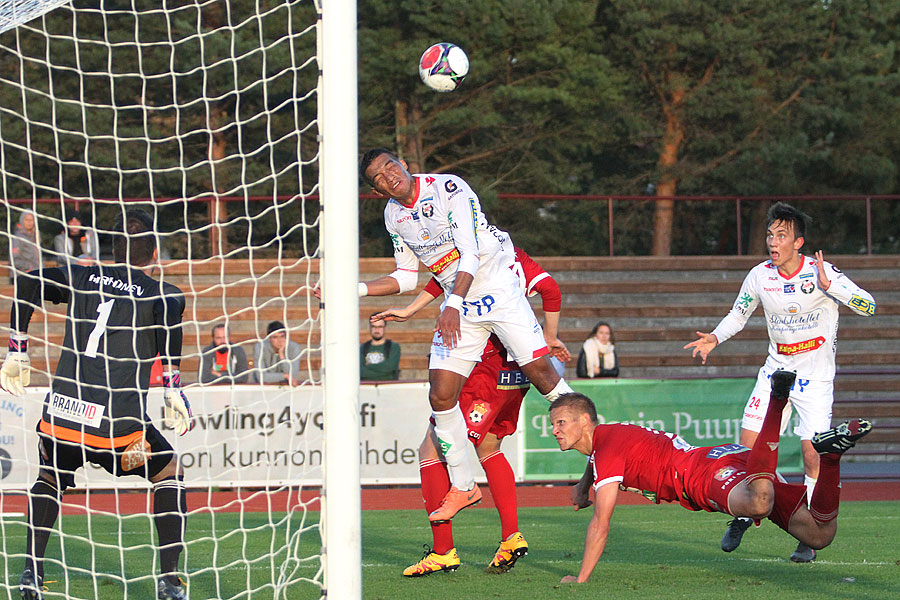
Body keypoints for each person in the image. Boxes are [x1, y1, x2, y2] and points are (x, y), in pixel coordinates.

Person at [347, 148, 575, 522]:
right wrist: (353, 289)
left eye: (390, 166)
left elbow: (469, 253)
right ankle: (464, 485)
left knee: (545, 378)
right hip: (459, 298)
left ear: (404, 164)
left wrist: (451, 305)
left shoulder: (448, 188)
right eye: (378, 177)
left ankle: (600, 446)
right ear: (377, 191)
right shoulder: (393, 215)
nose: (388, 176)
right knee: (440, 393)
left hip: (495, 283)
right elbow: (406, 276)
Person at [1, 209, 194, 600]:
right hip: (118, 433)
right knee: (168, 470)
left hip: (62, 418)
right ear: (154, 252)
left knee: (50, 479)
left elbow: (28, 282)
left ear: (111, 248)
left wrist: (18, 348)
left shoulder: (83, 274)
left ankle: (30, 575)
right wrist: (173, 388)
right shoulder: (164, 294)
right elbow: (169, 327)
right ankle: (170, 582)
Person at [684, 202, 876, 562]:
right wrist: (714, 337)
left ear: (798, 242)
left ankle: (809, 531)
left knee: (812, 455)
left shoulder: (822, 273)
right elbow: (738, 315)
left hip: (815, 379)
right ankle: (742, 515)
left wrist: (833, 288)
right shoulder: (760, 275)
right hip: (776, 374)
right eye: (770, 235)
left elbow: (869, 305)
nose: (773, 241)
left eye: (781, 235)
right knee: (748, 447)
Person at [550, 371, 872, 583]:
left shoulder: (606, 449)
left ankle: (777, 399)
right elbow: (597, 460)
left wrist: (580, 579)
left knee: (760, 503)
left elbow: (601, 522)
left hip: (700, 474)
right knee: (819, 535)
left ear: (584, 420)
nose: (555, 431)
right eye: (553, 424)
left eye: (561, 423)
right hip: (724, 458)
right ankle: (830, 457)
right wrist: (582, 486)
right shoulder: (606, 443)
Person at [374, 245, 571, 576]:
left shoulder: (465, 249)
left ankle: (443, 550)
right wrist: (549, 336)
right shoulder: (511, 252)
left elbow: (451, 278)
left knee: (432, 448)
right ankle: (510, 536)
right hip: (521, 363)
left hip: (486, 361)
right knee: (490, 445)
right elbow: (550, 289)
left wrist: (410, 308)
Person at [253, 320, 301, 386]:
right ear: (269, 338)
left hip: (286, 386)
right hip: (264, 387)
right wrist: (285, 376)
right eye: (275, 337)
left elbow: (292, 375)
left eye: (282, 336)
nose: (280, 341)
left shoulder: (294, 347)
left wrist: (281, 355)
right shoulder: (260, 347)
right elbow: (261, 377)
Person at [360, 314, 401, 381]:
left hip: (387, 388)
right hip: (366, 388)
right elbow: (360, 372)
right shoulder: (362, 348)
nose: (377, 330)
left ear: (385, 328)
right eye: (373, 327)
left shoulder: (394, 347)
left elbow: (390, 368)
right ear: (370, 327)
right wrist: (383, 370)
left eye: (380, 327)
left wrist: (369, 366)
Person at [10, 209, 42, 282]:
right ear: (22, 221)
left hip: (36, 274)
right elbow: (14, 260)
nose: (29, 222)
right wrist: (30, 267)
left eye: (31, 220)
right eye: (27, 220)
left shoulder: (36, 236)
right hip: (21, 275)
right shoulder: (17, 237)